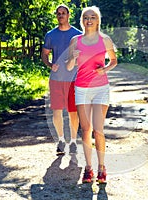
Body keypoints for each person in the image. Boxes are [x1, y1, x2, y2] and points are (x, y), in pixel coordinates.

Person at [67, 6, 117, 183]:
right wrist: (73, 57)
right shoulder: (75, 40)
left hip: (101, 89)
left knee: (98, 130)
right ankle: (88, 169)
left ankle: (101, 168)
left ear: (98, 20)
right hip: (81, 89)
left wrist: (104, 70)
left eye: (93, 17)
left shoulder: (105, 40)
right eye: (86, 17)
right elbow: (69, 66)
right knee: (86, 129)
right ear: (82, 20)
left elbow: (113, 61)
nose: (89, 20)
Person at [42, 4, 82, 155]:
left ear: (68, 15)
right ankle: (60, 141)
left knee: (73, 112)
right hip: (56, 79)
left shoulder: (78, 34)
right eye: (58, 13)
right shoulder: (50, 35)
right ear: (56, 16)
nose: (61, 16)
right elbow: (44, 54)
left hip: (74, 79)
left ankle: (72, 142)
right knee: (57, 111)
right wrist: (50, 64)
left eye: (63, 13)